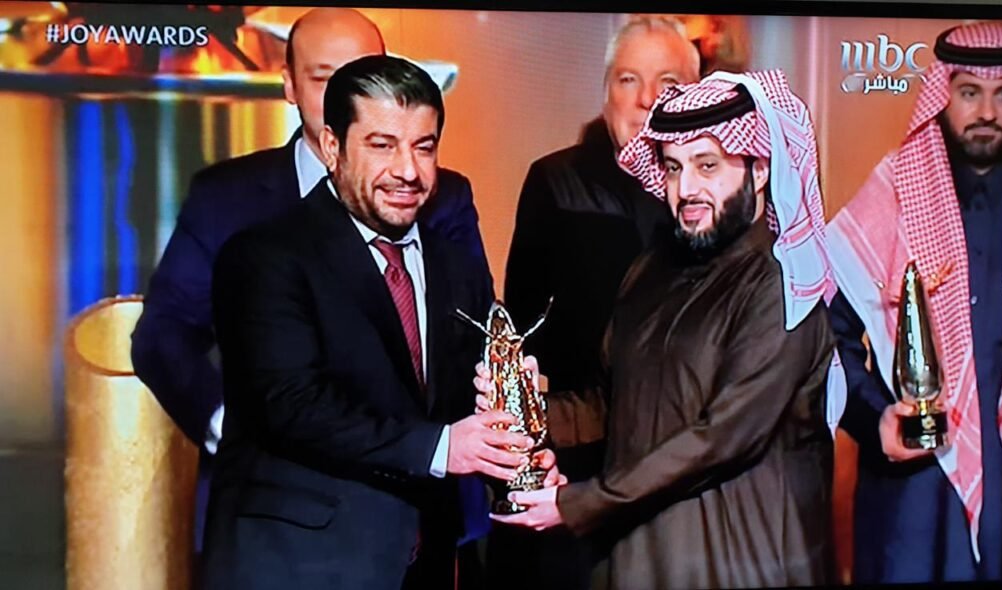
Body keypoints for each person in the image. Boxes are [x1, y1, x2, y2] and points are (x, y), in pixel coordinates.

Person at [130, 6, 488, 558]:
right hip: (286, 526)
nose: (348, 93)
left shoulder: (443, 197)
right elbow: (165, 334)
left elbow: (472, 337)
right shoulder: (232, 203)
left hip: (419, 520)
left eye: (366, 72)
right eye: (326, 78)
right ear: (290, 85)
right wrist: (233, 424)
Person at [483, 70, 844, 589]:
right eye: (673, 168)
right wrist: (525, 414)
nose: (686, 188)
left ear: (760, 169)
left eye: (707, 165)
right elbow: (614, 400)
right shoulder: (651, 269)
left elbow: (722, 438)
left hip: (742, 557)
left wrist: (577, 503)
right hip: (636, 552)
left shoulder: (782, 284)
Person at [199, 55, 540, 590]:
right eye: (383, 145)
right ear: (332, 147)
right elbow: (291, 404)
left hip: (426, 563)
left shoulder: (456, 265)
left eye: (423, 147)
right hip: (299, 568)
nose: (408, 171)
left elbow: (459, 404)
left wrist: (510, 422)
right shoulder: (265, 256)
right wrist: (442, 448)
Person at [496, 15, 700, 589]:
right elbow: (525, 328)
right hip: (577, 462)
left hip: (685, 462)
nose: (645, 99)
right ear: (606, 90)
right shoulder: (555, 181)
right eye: (628, 80)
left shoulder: (714, 197)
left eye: (666, 82)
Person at [826, 21, 1002, 583]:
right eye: (969, 92)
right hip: (913, 497)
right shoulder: (894, 193)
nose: (987, 112)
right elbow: (822, 335)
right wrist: (874, 417)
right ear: (942, 93)